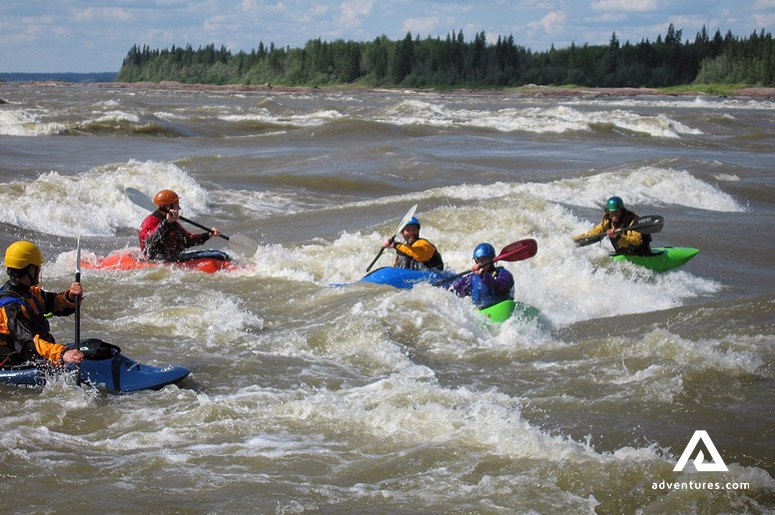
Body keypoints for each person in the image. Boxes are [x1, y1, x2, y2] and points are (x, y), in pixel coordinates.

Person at [0, 241, 84, 368]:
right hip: (11, 360)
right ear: (30, 269)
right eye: (37, 267)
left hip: (27, 355)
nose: (39, 270)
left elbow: (54, 303)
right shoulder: (11, 306)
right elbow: (28, 340)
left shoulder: (31, 293)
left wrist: (70, 297)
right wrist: (61, 354)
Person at [138, 189, 223, 262]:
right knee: (217, 256)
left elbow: (188, 240)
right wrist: (166, 223)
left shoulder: (173, 223)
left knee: (219, 254)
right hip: (157, 261)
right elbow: (148, 240)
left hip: (173, 259)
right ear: (168, 207)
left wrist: (208, 235)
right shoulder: (150, 220)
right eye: (176, 205)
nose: (179, 208)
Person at [573, 196, 651, 255]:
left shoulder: (633, 221)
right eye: (611, 213)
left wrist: (617, 236)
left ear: (621, 211)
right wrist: (571, 241)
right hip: (624, 254)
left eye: (616, 212)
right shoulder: (608, 221)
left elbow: (636, 242)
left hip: (641, 253)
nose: (614, 215)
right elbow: (592, 235)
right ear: (608, 212)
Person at [451, 243, 514, 309]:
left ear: (491, 259)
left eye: (484, 259)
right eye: (478, 259)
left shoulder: (504, 274)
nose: (481, 263)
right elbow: (455, 291)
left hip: (501, 308)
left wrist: (483, 274)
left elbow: (502, 288)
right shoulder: (471, 278)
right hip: (482, 313)